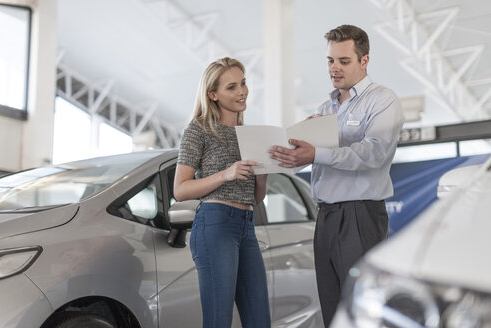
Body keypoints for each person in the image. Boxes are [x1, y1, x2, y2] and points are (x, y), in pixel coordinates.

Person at [269, 25, 404, 327]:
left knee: (361, 309)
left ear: (364, 61)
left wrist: (316, 152)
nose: (335, 68)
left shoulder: (382, 100)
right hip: (326, 217)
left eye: (344, 61)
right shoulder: (325, 108)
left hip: (360, 216)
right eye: (330, 60)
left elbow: (373, 154)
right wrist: (293, 149)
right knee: (332, 309)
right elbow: (312, 159)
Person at [173, 57, 271, 328]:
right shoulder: (199, 129)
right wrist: (227, 173)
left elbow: (255, 198)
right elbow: (180, 189)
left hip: (246, 226)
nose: (242, 91)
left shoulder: (250, 134)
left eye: (243, 83)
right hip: (215, 224)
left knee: (260, 321)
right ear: (212, 94)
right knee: (218, 321)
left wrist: (263, 175)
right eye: (231, 87)